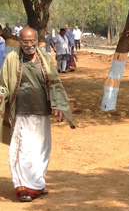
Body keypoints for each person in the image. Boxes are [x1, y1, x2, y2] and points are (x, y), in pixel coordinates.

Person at [0, 27, 74, 202]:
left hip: (41, 113)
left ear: (36, 40)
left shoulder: (45, 58)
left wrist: (58, 104)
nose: (29, 45)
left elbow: (55, 83)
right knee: (22, 151)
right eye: (25, 41)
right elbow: (3, 85)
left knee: (41, 150)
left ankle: (37, 183)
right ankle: (23, 188)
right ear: (20, 41)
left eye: (32, 41)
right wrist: (1, 94)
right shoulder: (11, 59)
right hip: (21, 113)